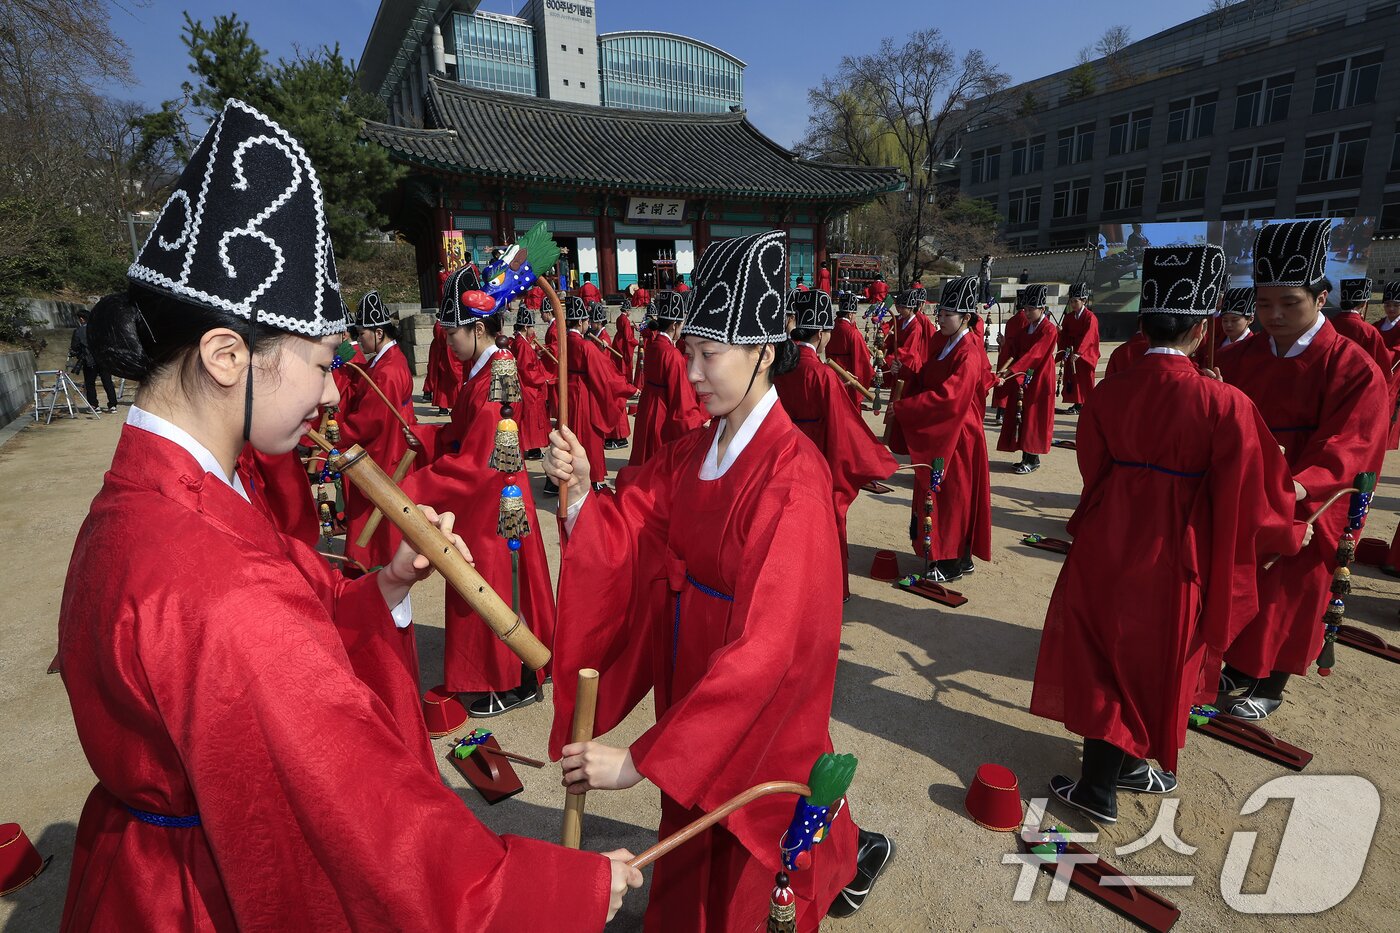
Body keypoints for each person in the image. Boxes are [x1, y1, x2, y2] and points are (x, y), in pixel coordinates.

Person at [57, 97, 638, 933]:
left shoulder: (139, 499)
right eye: (324, 363)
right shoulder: (214, 585)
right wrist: (555, 890)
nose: (336, 389)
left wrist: (387, 587)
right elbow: (368, 813)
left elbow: (288, 631)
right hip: (199, 894)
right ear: (227, 355)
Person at [544, 230, 890, 930]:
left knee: (744, 836)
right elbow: (635, 529)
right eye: (690, 352)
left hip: (746, 701)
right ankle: (844, 854)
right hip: (690, 674)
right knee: (693, 821)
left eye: (709, 354)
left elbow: (766, 649)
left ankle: (839, 859)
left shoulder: (793, 479)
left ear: (763, 352)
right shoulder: (695, 448)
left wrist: (643, 758)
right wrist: (582, 492)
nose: (692, 371)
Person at [1031, 245, 1307, 825]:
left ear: (1144, 322)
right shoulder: (1225, 402)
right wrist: (1290, 520)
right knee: (1157, 654)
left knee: (1104, 648)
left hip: (1109, 533)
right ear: (1202, 327)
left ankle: (1120, 769)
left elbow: (1091, 466)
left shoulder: (1111, 392)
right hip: (1176, 546)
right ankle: (1102, 786)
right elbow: (1255, 490)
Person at [1215, 220, 1387, 719]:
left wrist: (1293, 486)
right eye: (1264, 304)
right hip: (1250, 491)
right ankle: (1242, 666)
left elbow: (1349, 445)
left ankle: (1273, 683)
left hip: (1313, 497)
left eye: (1289, 303)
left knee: (1293, 590)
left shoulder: (1351, 366)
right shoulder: (1241, 356)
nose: (1273, 315)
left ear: (1320, 296)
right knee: (1243, 581)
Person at [395, 279, 556, 717]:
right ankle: (520, 667)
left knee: (493, 584)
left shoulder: (493, 379)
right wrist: (429, 435)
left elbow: (478, 462)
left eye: (452, 333)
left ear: (478, 330)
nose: (448, 342)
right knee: (502, 581)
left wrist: (413, 487)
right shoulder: (487, 370)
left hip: (493, 499)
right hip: (500, 489)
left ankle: (509, 679)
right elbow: (468, 436)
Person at [774, 288, 897, 600]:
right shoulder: (821, 374)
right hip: (815, 456)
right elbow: (845, 431)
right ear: (822, 333)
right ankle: (826, 590)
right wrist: (877, 458)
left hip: (781, 455)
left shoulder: (779, 365)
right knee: (824, 521)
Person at [890, 276, 995, 583]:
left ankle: (951, 562)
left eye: (948, 314)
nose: (941, 318)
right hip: (943, 426)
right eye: (941, 312)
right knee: (945, 493)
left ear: (966, 316)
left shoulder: (969, 352)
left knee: (953, 495)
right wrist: (908, 372)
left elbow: (950, 396)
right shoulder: (942, 341)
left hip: (959, 431)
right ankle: (957, 556)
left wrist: (907, 408)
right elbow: (928, 377)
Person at [338, 291, 421, 570]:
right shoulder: (386, 360)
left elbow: (373, 419)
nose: (359, 339)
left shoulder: (387, 369)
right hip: (391, 438)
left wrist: (341, 432)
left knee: (377, 503)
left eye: (362, 333)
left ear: (378, 332)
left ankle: (373, 560)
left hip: (387, 445)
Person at [544, 296, 631, 496]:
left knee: (567, 433)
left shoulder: (565, 342)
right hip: (584, 395)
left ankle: (559, 478)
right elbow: (604, 377)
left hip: (569, 392)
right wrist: (625, 388)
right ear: (582, 322)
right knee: (588, 437)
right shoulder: (586, 346)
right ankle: (593, 479)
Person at [629, 290, 706, 468]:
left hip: (647, 406)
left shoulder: (654, 346)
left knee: (644, 457)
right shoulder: (672, 355)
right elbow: (681, 399)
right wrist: (698, 422)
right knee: (660, 464)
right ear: (674, 325)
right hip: (662, 413)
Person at [994, 284, 1059, 474]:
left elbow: (1035, 354)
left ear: (1042, 309)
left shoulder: (1049, 330)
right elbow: (1015, 348)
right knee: (1022, 416)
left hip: (1039, 377)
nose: (1028, 313)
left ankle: (1033, 459)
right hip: (1024, 376)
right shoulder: (1027, 329)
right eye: (1026, 309)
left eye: (1032, 309)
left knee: (1034, 417)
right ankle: (1025, 456)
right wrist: (1005, 348)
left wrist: (1014, 370)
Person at [510, 304, 551, 459]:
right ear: (526, 326)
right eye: (532, 327)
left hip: (528, 385)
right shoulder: (521, 344)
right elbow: (526, 369)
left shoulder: (522, 343)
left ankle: (533, 448)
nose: (534, 330)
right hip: (529, 387)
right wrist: (542, 378)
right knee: (531, 420)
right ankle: (533, 449)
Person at [826, 292, 875, 408]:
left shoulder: (832, 328)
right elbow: (861, 360)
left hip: (833, 372)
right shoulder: (852, 333)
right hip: (849, 374)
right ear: (850, 314)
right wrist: (871, 371)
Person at [1057, 282, 1100, 413]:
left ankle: (1085, 403)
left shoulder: (1090, 317)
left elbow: (1090, 336)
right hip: (1072, 349)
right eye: (1071, 301)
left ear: (1084, 301)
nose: (1073, 304)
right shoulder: (1069, 317)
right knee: (1072, 378)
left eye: (1075, 301)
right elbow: (1065, 334)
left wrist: (1080, 352)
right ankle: (1077, 404)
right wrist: (1060, 331)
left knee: (1084, 379)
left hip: (1085, 353)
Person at [68, 310, 119, 413]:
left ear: (82, 319)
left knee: (90, 384)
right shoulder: (101, 329)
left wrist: (77, 353)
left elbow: (75, 347)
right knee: (107, 382)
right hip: (103, 360)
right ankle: (112, 405)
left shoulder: (78, 331)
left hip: (89, 360)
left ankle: (94, 405)